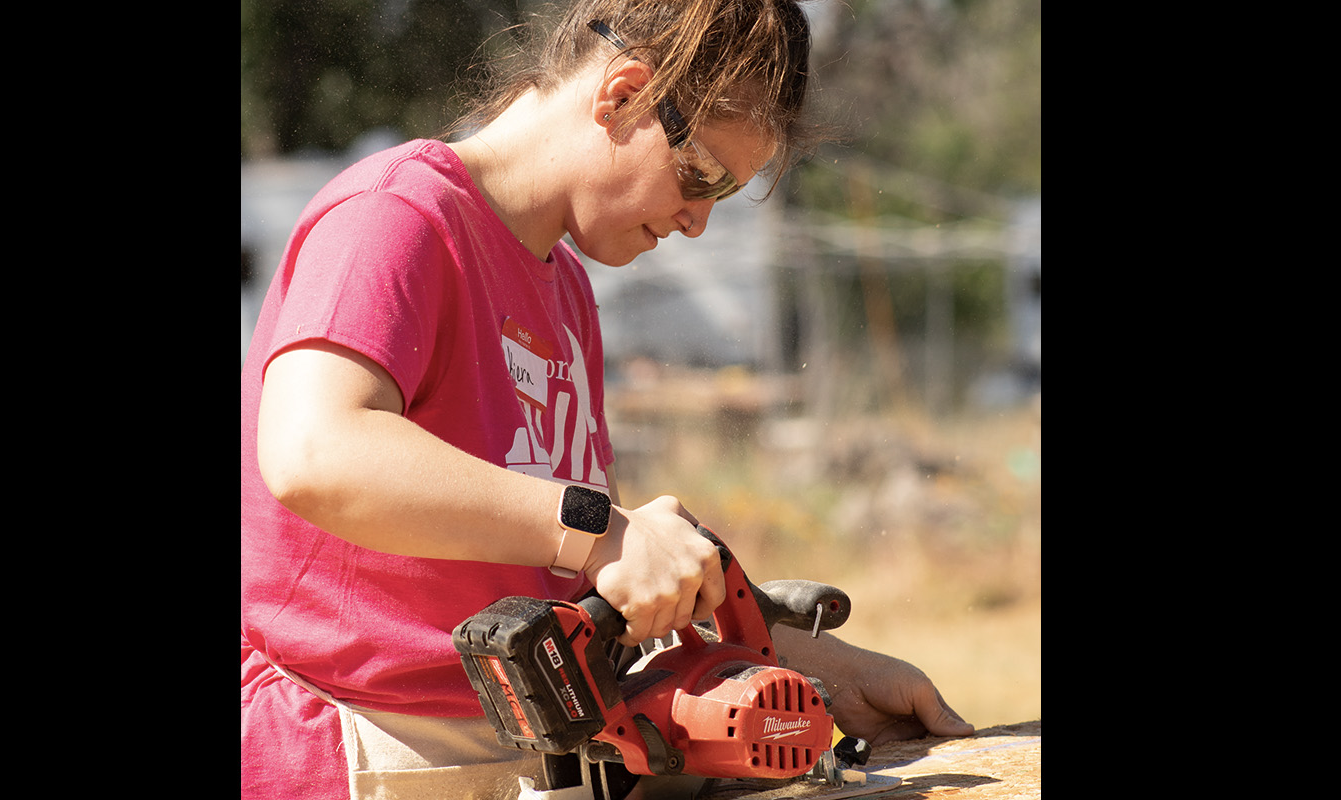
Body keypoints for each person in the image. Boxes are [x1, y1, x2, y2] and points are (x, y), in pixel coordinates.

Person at [241, 1, 973, 798]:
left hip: (518, 748)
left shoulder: (568, 293)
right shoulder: (396, 217)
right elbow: (315, 451)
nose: (698, 221)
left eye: (728, 194)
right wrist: (601, 530)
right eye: (701, 176)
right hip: (354, 755)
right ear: (622, 95)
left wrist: (822, 668)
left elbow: (606, 597)